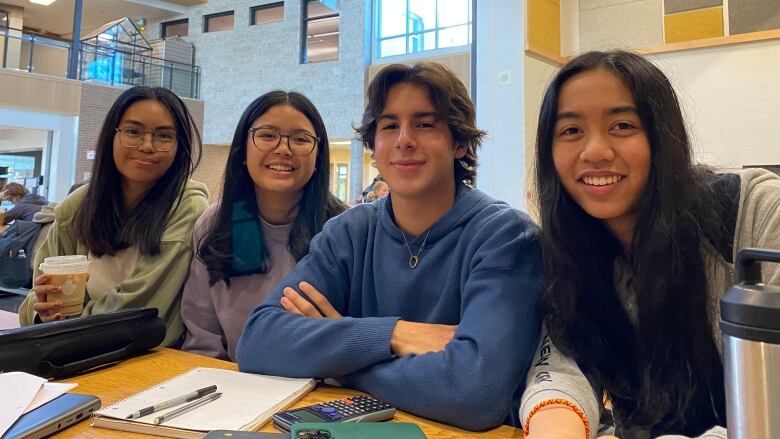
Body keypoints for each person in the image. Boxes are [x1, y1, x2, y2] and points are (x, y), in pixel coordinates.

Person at [235, 62, 544, 431]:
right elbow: (258, 341)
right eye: (390, 125)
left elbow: (474, 392)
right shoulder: (348, 232)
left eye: (425, 124)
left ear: (459, 142)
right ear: (373, 143)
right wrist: (394, 335)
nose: (404, 140)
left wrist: (340, 363)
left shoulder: (505, 237)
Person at [520, 50, 780, 439]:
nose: (594, 151)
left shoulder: (753, 210)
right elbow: (561, 366)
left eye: (622, 125)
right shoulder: (576, 250)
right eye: (571, 131)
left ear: (663, 136)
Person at [18, 86, 209, 347]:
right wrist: (42, 313)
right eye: (133, 131)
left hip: (149, 362)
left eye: (164, 136)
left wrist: (63, 332)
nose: (147, 145)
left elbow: (141, 310)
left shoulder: (186, 207)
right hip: (73, 358)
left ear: (179, 146)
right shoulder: (75, 208)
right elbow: (34, 301)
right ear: (111, 135)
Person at [180, 91, 346, 361]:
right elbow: (203, 342)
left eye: (301, 139)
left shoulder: (343, 230)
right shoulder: (216, 225)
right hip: (235, 388)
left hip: (323, 392)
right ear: (243, 150)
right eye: (268, 135)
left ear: (318, 156)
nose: (283, 148)